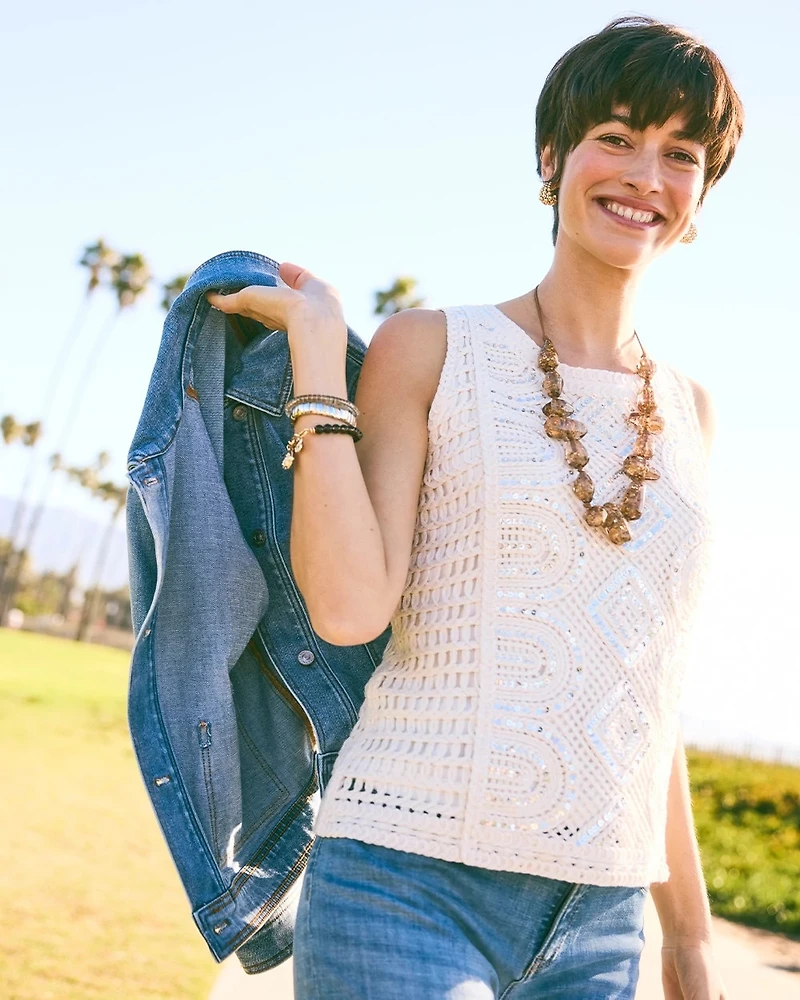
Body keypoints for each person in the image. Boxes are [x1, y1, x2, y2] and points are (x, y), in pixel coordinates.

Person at [205, 14, 744, 1000]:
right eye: (615, 137)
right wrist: (320, 358)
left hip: (601, 922)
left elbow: (641, 697)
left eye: (679, 154)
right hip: (405, 883)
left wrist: (689, 940)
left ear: (699, 197)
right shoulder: (431, 347)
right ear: (551, 158)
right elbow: (351, 608)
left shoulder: (692, 410)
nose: (643, 175)